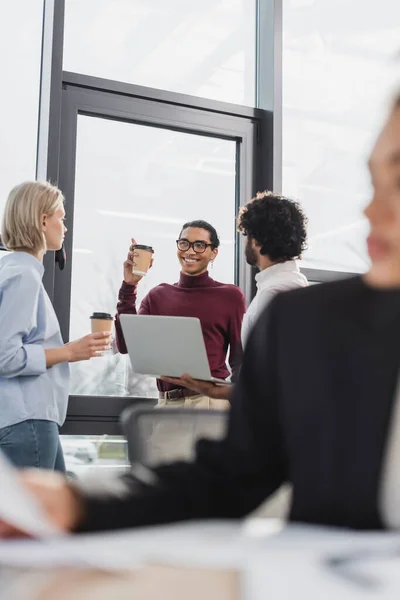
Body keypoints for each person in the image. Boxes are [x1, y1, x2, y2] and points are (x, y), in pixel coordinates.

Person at [4, 91, 400, 535]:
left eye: (397, 181)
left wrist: (219, 388)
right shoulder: (299, 319)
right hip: (172, 406)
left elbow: (241, 371)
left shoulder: (242, 299)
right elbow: (231, 477)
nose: (371, 210)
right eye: (373, 182)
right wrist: (80, 501)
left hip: (209, 404)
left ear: (216, 251)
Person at [0, 181, 111, 472]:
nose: (64, 227)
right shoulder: (23, 275)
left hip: (29, 420)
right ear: (42, 220)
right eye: (61, 218)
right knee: (34, 517)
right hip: (27, 422)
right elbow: (6, 356)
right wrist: (69, 352)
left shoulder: (12, 271)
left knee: (59, 513)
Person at [162, 192, 308, 400]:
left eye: (247, 235)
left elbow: (278, 380)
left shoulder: (277, 294)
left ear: (258, 240)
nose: (245, 242)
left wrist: (214, 391)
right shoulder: (288, 286)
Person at [115, 220, 246, 409]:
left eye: (200, 245)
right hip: (167, 404)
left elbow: (239, 360)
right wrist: (129, 286)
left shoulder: (230, 296)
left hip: (211, 403)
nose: (190, 251)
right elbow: (126, 345)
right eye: (184, 243)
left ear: (213, 252)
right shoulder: (158, 296)